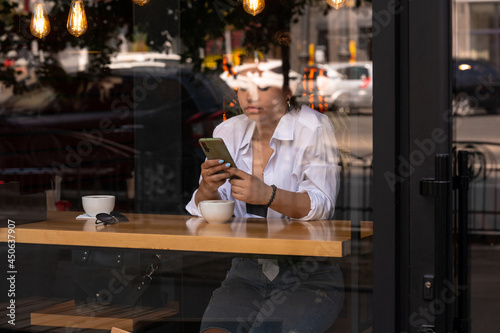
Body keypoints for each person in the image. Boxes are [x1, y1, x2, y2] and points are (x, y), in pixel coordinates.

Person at [185, 59, 344, 333]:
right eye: (244, 87)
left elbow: (322, 205)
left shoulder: (312, 127)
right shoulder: (227, 131)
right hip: (246, 269)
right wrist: (208, 189)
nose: (251, 95)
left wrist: (268, 194)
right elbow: (204, 209)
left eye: (264, 86)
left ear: (287, 91)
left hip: (307, 273)